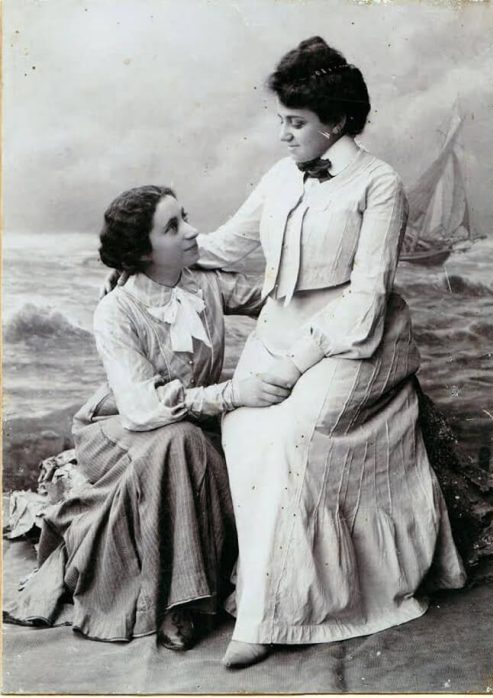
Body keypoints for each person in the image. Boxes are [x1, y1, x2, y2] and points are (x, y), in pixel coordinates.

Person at [103, 38, 466, 669]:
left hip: (354, 339)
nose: (282, 134)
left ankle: (270, 617)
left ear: (337, 121)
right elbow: (222, 245)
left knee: (297, 430)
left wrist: (295, 364)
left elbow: (367, 298)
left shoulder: (379, 184)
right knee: (248, 425)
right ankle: (262, 595)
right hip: (276, 332)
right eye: (281, 120)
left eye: (295, 123)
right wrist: (143, 267)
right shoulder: (279, 176)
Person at [5, 185, 291, 650]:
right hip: (118, 429)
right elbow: (143, 409)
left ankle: (195, 590)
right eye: (173, 227)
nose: (192, 232)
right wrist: (235, 393)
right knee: (180, 441)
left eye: (185, 217)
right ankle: (180, 603)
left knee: (202, 442)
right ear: (142, 251)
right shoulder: (116, 309)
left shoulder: (204, 282)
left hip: (185, 424)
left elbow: (279, 298)